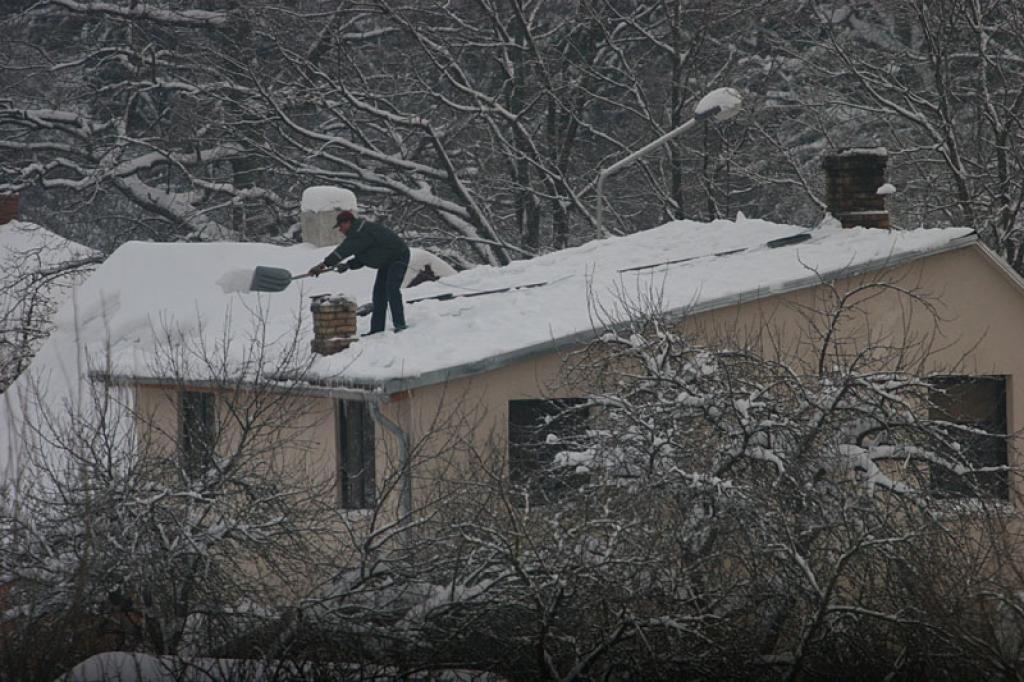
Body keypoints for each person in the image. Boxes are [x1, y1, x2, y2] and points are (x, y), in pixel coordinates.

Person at [308, 210, 410, 334]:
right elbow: (364, 257)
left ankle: (400, 325)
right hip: (387, 261)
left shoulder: (360, 232)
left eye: (341, 226)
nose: (340, 230)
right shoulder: (359, 233)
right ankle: (377, 330)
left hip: (399, 256)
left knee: (391, 289)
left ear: (348, 222)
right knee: (378, 294)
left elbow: (343, 251)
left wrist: (323, 265)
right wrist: (348, 265)